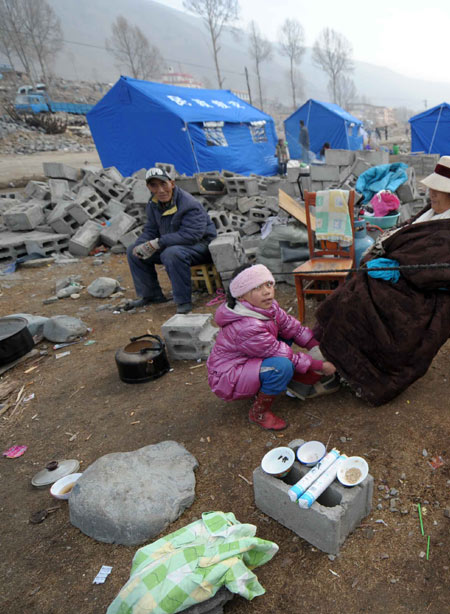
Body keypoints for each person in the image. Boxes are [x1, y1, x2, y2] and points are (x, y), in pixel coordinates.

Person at [312, 155, 450, 405]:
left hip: (429, 297)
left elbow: (442, 272)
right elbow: (405, 232)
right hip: (407, 282)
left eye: (439, 189)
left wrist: (399, 268)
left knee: (363, 294)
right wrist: (384, 254)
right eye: (432, 187)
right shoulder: (432, 213)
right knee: (358, 284)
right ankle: (333, 350)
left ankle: (361, 370)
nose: (432, 193)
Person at [206, 265, 338, 431]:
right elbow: (284, 355)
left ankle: (278, 382)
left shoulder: (268, 308)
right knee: (282, 366)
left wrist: (318, 348)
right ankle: (259, 412)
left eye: (268, 284)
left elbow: (293, 328)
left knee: (286, 335)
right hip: (229, 376)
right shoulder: (246, 325)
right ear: (241, 296)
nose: (267, 292)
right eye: (257, 288)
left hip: (247, 360)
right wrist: (321, 365)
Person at [126, 167, 217, 314]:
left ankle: (183, 301)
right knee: (133, 251)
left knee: (171, 253)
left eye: (163, 184)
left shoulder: (189, 204)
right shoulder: (153, 203)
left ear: (172, 184)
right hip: (173, 243)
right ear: (149, 187)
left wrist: (158, 243)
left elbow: (191, 235)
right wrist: (140, 245)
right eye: (154, 186)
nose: (160, 190)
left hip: (201, 246)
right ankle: (151, 295)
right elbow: (151, 230)